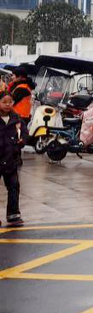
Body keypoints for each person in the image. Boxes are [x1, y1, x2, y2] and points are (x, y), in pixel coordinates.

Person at [0, 91, 25, 227]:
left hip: (11, 159)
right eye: (4, 102)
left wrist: (22, 141)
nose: (7, 104)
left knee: (14, 187)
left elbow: (25, 133)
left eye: (10, 102)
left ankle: (13, 215)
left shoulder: (17, 118)